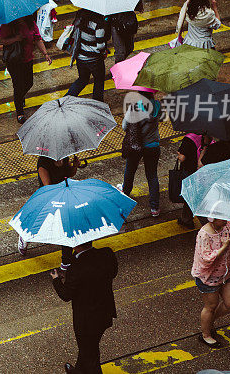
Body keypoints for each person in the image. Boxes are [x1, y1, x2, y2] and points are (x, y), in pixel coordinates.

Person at [50, 241, 118, 374]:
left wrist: (56, 279)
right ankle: (78, 371)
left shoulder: (76, 268)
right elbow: (113, 273)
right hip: (105, 312)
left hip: (86, 321)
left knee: (90, 355)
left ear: (75, 244)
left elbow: (66, 295)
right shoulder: (107, 253)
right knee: (89, 347)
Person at [18, 154, 80, 271]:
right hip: (47, 196)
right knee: (39, 224)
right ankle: (25, 236)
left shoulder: (64, 158)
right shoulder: (43, 162)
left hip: (63, 195)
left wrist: (75, 166)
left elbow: (69, 174)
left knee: (67, 224)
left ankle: (66, 260)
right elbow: (48, 186)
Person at [191, 217, 230, 348]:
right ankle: (206, 334)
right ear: (212, 219)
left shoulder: (227, 224)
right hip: (209, 277)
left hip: (226, 273)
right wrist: (224, 246)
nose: (226, 220)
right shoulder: (204, 234)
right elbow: (207, 259)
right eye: (222, 218)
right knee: (211, 307)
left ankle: (209, 321)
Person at [0, 10, 52, 123]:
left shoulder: (30, 23)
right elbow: (1, 41)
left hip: (27, 58)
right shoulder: (8, 23)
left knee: (29, 83)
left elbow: (37, 38)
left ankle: (20, 97)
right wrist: (16, 39)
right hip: (14, 60)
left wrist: (45, 54)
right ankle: (20, 112)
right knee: (18, 85)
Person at [121, 92, 162, 216]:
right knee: (152, 176)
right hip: (153, 145)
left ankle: (125, 195)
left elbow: (124, 126)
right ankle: (154, 208)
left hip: (136, 146)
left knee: (130, 171)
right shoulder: (157, 106)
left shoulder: (135, 107)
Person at [66, 9, 108, 100]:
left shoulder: (81, 18)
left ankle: (66, 99)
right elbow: (100, 45)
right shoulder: (98, 24)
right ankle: (97, 103)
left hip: (80, 57)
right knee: (99, 81)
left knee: (82, 80)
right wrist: (105, 52)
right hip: (94, 60)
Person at [177, 134, 201, 228]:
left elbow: (182, 158)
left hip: (188, 172)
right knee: (193, 194)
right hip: (199, 171)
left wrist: (178, 154)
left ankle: (187, 220)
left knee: (188, 195)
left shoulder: (188, 139)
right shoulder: (204, 136)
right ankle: (186, 217)